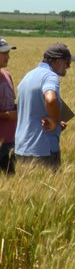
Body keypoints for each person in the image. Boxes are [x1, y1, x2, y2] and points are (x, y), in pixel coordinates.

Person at [15, 42, 75, 168]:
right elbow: (50, 99)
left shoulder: (28, 76)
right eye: (67, 63)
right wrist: (54, 122)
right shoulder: (50, 76)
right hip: (42, 148)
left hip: (21, 146)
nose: (69, 67)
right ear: (57, 61)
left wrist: (57, 125)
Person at [0, 39, 17, 175]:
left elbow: (11, 102)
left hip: (11, 138)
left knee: (10, 177)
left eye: (8, 53)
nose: (8, 56)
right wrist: (6, 115)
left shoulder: (7, 75)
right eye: (4, 53)